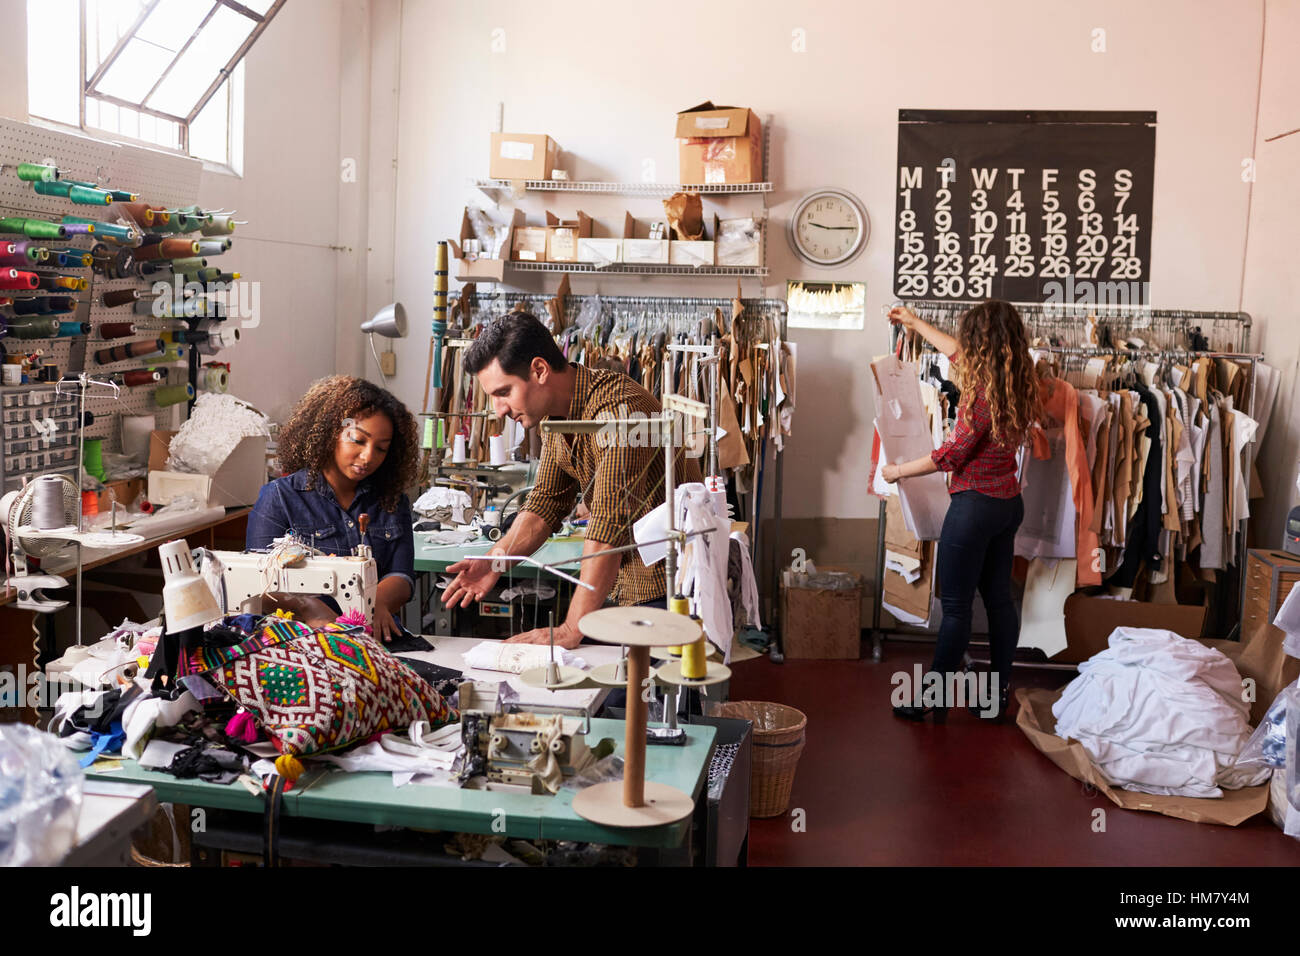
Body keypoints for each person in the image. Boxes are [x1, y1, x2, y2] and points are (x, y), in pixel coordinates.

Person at [442, 312, 702, 649]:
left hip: (672, 592)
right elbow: (547, 501)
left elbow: (609, 524)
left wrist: (569, 629)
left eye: (503, 392)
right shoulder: (559, 413)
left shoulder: (620, 413)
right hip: (628, 590)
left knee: (623, 695)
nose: (499, 410)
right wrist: (496, 560)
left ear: (539, 370)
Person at [883, 301, 1042, 722]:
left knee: (955, 608)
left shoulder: (983, 392)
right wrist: (915, 323)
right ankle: (994, 698)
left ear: (980, 342)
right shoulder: (1019, 376)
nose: (963, 348)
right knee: (998, 602)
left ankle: (930, 699)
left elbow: (951, 455)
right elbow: (955, 352)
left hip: (974, 508)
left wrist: (898, 470)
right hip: (1008, 504)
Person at [246, 375, 419, 642]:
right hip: (303, 641)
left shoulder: (391, 501)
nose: (368, 457)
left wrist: (375, 603)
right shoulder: (280, 498)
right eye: (358, 441)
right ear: (329, 433)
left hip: (375, 638)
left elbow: (402, 575)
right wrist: (308, 607)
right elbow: (258, 582)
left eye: (381, 449)